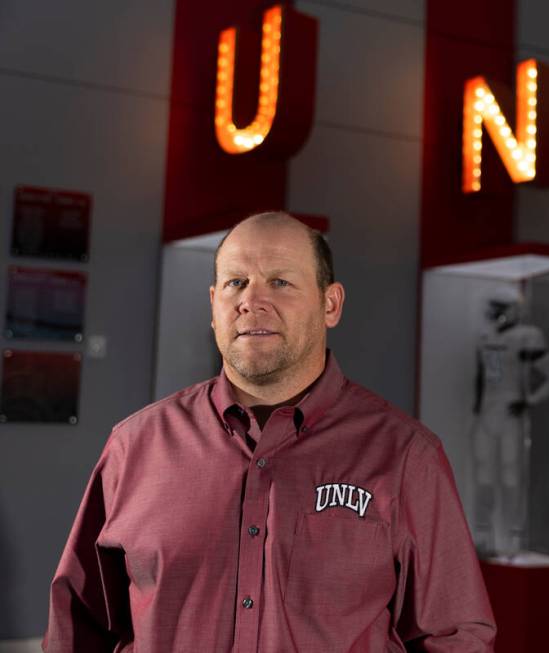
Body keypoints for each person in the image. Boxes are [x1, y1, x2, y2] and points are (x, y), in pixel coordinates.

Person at [43, 212, 496, 652]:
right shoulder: (135, 446)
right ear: (214, 305)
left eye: (280, 281)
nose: (252, 300)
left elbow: (454, 636)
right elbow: (78, 625)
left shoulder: (404, 456)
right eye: (236, 282)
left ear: (331, 304)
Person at [471, 286, 549, 557]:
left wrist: (530, 400)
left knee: (512, 476)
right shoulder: (485, 335)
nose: (494, 312)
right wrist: (478, 409)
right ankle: (483, 536)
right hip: (487, 414)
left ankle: (513, 538)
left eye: (500, 306)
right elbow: (482, 378)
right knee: (484, 476)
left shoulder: (528, 336)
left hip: (512, 413)